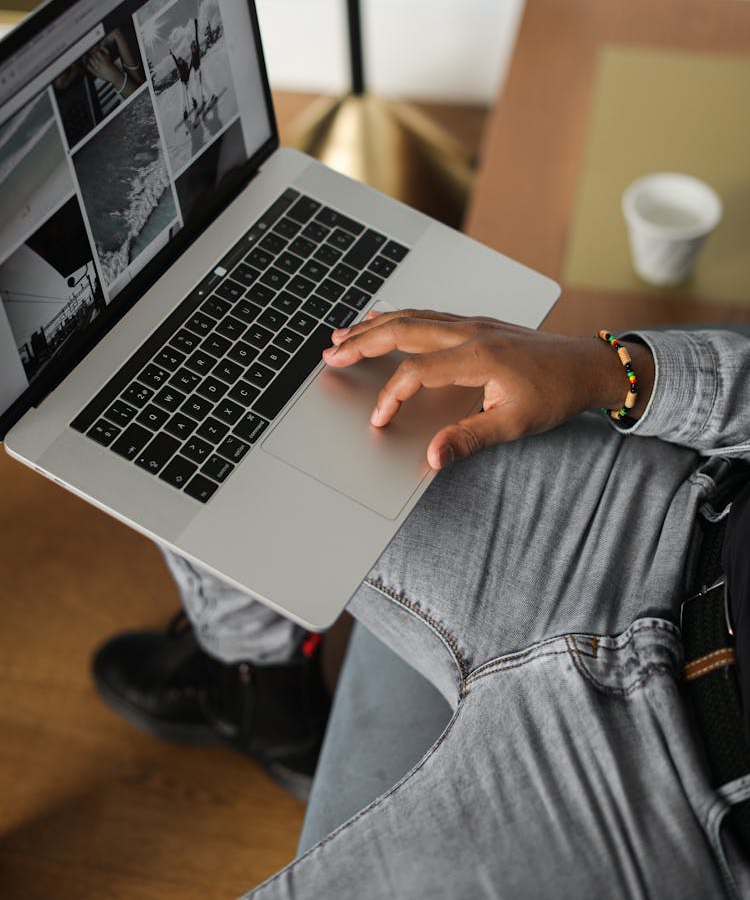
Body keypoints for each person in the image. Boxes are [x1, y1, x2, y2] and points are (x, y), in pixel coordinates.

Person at [92, 310, 750, 898]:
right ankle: (258, 687)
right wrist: (610, 369)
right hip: (659, 519)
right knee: (216, 374)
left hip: (672, 816)